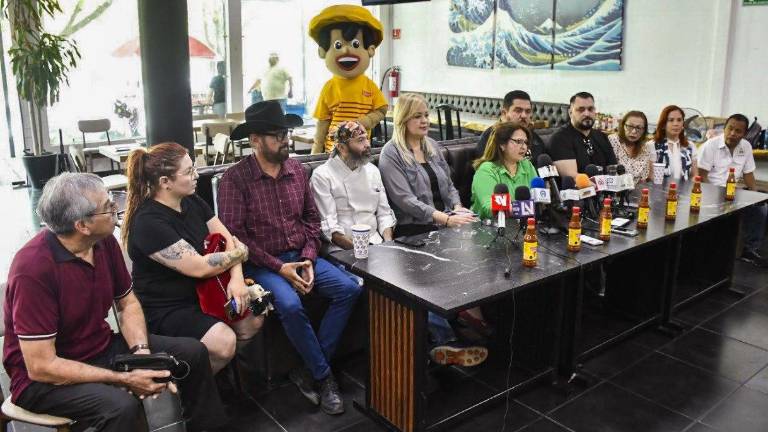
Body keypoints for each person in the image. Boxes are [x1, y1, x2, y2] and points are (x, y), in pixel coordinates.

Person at [2, 173, 226, 432]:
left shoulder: (103, 241)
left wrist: (142, 354)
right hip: (43, 379)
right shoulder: (33, 269)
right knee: (120, 407)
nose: (116, 209)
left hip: (99, 347)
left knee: (193, 353)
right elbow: (41, 366)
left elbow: (127, 303)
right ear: (82, 225)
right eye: (108, 206)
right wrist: (123, 378)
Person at [217, 100, 362, 415]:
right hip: (263, 264)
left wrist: (308, 258)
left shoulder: (297, 170)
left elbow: (312, 220)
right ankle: (323, 377)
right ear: (255, 140)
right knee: (291, 305)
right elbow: (236, 238)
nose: (285, 140)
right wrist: (280, 267)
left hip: (302, 254)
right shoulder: (235, 179)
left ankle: (308, 369)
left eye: (286, 133)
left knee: (349, 289)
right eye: (277, 135)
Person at [122, 142, 264, 376]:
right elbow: (200, 267)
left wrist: (237, 279)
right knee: (224, 342)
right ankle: (191, 386)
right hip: (167, 307)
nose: (196, 175)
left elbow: (228, 239)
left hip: (204, 292)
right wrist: (242, 253)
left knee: (254, 318)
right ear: (165, 182)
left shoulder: (191, 200)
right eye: (189, 172)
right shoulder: (148, 222)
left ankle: (213, 373)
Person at [379, 93, 476, 237]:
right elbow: (406, 200)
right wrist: (446, 220)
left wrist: (458, 208)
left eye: (426, 115)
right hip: (414, 229)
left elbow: (449, 185)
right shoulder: (391, 153)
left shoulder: (433, 146)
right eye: (417, 116)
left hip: (445, 221)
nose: (424, 121)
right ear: (403, 119)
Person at [309, 5, 388, 154]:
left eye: (355, 44)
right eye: (338, 45)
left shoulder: (369, 85)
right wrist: (316, 149)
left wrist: (367, 121)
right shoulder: (329, 87)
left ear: (370, 50)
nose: (346, 50)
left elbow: (382, 109)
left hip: (360, 152)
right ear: (323, 52)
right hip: (334, 153)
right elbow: (323, 122)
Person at [310, 121, 396, 252]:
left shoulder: (372, 171)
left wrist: (389, 245)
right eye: (360, 140)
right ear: (341, 148)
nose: (367, 145)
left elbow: (384, 214)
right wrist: (362, 251)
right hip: (341, 249)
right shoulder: (322, 176)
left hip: (377, 242)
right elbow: (330, 228)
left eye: (366, 138)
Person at [698, 113, 767, 266]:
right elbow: (701, 177)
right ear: (724, 128)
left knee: (761, 210)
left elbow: (748, 174)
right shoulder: (710, 146)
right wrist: (716, 197)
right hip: (710, 192)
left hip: (733, 194)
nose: (733, 133)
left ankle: (749, 250)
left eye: (738, 131)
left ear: (745, 133)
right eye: (730, 129)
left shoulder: (746, 146)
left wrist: (755, 196)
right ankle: (712, 254)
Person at [471, 122, 538, 220]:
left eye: (526, 142)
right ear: (502, 144)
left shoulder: (527, 165)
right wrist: (523, 209)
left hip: (525, 223)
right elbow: (489, 208)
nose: (524, 147)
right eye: (518, 141)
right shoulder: (486, 170)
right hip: (490, 226)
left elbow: (537, 199)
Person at [547, 92, 618, 178]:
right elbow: (572, 177)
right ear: (570, 113)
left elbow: (613, 169)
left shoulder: (602, 136)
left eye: (590, 109)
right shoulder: (559, 139)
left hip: (606, 185)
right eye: (581, 110)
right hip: (578, 186)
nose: (587, 114)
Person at [474, 90, 545, 162]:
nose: (524, 115)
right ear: (504, 113)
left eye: (528, 111)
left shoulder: (535, 138)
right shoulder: (490, 138)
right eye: (518, 110)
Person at [647, 105, 698, 181]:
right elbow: (650, 177)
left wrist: (694, 183)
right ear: (663, 124)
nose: (676, 124)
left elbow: (694, 175)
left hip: (685, 188)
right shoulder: (652, 145)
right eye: (671, 120)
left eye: (679, 120)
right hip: (659, 188)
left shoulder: (690, 146)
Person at [607, 111, 652, 183]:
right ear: (623, 126)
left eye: (639, 128)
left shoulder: (645, 148)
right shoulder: (613, 140)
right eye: (630, 126)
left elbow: (643, 179)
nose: (634, 131)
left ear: (644, 130)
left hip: (637, 189)